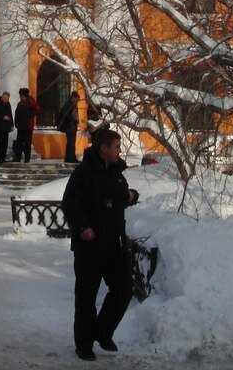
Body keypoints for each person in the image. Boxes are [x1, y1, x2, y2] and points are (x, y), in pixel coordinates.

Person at [61, 128, 140, 361]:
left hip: (114, 245)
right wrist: (82, 227)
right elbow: (70, 203)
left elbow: (115, 199)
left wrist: (130, 196)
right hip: (90, 246)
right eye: (116, 146)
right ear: (103, 148)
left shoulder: (116, 173)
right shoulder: (84, 173)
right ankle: (84, 345)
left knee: (124, 289)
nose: (119, 151)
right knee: (86, 297)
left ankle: (102, 332)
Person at [13, 87, 41, 163]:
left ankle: (27, 159)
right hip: (20, 126)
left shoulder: (31, 102)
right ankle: (17, 158)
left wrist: (31, 114)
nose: (20, 96)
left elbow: (38, 110)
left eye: (20, 95)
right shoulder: (20, 103)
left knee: (27, 143)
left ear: (23, 95)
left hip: (28, 126)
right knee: (19, 143)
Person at [57, 90, 81, 164]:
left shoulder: (69, 104)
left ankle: (68, 158)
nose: (77, 101)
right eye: (77, 99)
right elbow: (66, 114)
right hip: (70, 126)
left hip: (71, 126)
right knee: (71, 143)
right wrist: (73, 120)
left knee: (70, 142)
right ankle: (71, 158)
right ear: (73, 98)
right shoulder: (70, 104)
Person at [0, 91, 14, 164]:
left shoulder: (8, 104)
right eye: (5, 99)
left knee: (5, 143)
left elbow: (10, 114)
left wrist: (12, 125)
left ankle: (3, 157)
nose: (6, 101)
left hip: (6, 128)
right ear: (2, 97)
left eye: (7, 99)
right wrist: (3, 117)